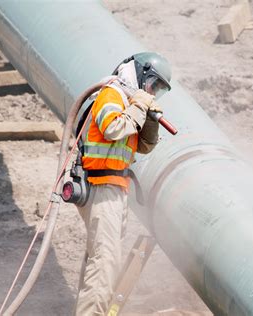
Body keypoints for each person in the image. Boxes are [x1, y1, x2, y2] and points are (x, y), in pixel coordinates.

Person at [74, 52, 172, 315]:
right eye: (152, 86)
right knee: (104, 264)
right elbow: (113, 128)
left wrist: (149, 120)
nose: (152, 93)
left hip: (114, 190)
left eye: (158, 91)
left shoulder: (129, 101)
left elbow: (142, 146)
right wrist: (139, 106)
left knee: (101, 260)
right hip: (101, 188)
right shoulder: (112, 93)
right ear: (140, 74)